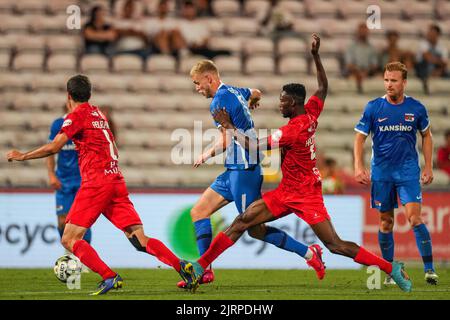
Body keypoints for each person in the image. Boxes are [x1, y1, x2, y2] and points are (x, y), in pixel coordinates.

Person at [180, 34, 412, 294]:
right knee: (242, 221)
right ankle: (201, 266)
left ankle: (390, 268)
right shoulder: (311, 111)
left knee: (335, 245)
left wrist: (230, 126)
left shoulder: (291, 132)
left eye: (282, 101)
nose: (279, 104)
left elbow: (253, 146)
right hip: (286, 191)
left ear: (293, 103)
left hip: (307, 195)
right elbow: (323, 87)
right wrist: (315, 56)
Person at [6, 75, 189, 295]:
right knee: (139, 240)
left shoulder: (77, 116)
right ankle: (183, 267)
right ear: (89, 94)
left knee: (69, 238)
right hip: (115, 179)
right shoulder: (99, 113)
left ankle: (109, 276)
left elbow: (55, 147)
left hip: (97, 182)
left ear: (68, 95)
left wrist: (22, 156)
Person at [177, 58, 326, 288]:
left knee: (254, 229)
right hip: (233, 169)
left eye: (198, 83)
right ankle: (204, 271)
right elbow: (255, 92)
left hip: (245, 169)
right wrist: (253, 100)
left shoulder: (218, 101)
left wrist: (206, 154)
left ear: (209, 78)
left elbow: (227, 139)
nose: (197, 88)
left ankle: (309, 253)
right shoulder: (235, 90)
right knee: (199, 211)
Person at [354, 61, 438, 285]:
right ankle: (392, 271)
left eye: (393, 80)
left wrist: (428, 166)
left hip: (408, 172)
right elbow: (360, 137)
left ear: (404, 82)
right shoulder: (373, 107)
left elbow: (427, 136)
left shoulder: (417, 108)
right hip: (382, 173)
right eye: (386, 80)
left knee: (414, 218)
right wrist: (358, 166)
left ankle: (429, 270)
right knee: (385, 223)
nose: (389, 84)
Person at [47, 106, 92, 252]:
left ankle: (85, 258)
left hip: (82, 180)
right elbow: (50, 150)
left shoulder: (85, 124)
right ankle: (69, 250)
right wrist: (51, 174)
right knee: (62, 221)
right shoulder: (57, 124)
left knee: (83, 222)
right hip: (63, 181)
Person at [344, 23, 379, 94]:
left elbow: (374, 64)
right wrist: (358, 72)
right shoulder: (351, 47)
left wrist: (366, 72)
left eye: (365, 31)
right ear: (358, 32)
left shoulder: (371, 48)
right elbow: (349, 64)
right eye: (361, 31)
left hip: (368, 72)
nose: (363, 33)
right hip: (354, 72)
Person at [415, 24, 449, 94]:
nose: (429, 35)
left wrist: (438, 70)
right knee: (425, 66)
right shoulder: (423, 44)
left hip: (437, 69)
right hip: (423, 67)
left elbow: (444, 63)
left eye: (432, 33)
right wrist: (438, 61)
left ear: (438, 35)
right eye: (429, 32)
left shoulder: (442, 47)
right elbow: (427, 58)